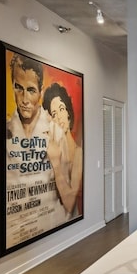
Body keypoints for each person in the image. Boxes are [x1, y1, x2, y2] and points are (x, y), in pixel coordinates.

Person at [5, 54, 65, 248]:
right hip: (14, 230)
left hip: (51, 220)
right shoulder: (4, 131)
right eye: (18, 87)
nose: (24, 99)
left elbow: (65, 190)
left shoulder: (55, 132)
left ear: (40, 92)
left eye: (30, 90)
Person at [43, 82, 83, 219]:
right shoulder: (52, 148)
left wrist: (56, 163)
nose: (59, 117)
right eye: (54, 114)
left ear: (68, 112)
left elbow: (70, 203)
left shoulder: (78, 153)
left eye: (61, 109)